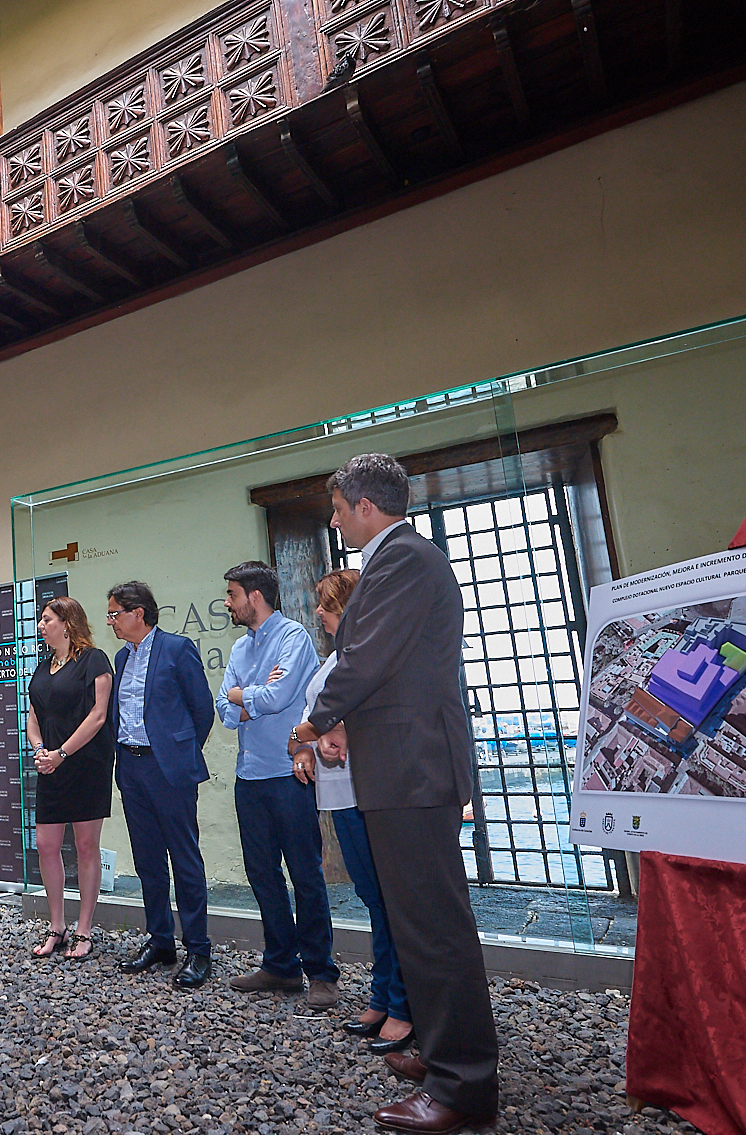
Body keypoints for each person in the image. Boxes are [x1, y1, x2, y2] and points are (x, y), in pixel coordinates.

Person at [293, 453, 499, 1133]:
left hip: (413, 768)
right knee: (418, 923)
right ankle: (442, 1054)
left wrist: (315, 720)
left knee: (435, 929)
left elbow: (365, 658)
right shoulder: (396, 561)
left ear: (364, 506)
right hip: (400, 766)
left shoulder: (403, 559)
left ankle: (463, 1086)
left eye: (337, 508)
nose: (333, 520)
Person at [296, 568, 413, 1052]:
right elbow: (313, 723)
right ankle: (385, 995)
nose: (319, 612)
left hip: (369, 791)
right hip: (340, 793)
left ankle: (404, 1003)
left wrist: (314, 733)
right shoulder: (335, 659)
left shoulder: (372, 654)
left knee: (391, 900)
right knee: (373, 898)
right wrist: (304, 746)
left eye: (327, 605)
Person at [216, 560, 339, 1006]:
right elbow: (224, 710)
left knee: (305, 875)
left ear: (255, 596)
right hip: (248, 777)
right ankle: (281, 967)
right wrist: (248, 696)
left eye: (232, 595)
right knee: (262, 875)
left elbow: (279, 696)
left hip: (288, 776)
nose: (227, 603)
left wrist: (242, 694)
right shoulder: (238, 649)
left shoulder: (293, 637)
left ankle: (321, 972)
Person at [107, 580, 215, 989]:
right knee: (148, 859)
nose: (112, 621)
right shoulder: (122, 657)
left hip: (168, 769)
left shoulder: (177, 648)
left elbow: (202, 709)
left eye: (115, 613)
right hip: (131, 768)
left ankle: (198, 949)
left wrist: (178, 752)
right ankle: (160, 940)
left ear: (138, 613)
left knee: (184, 860)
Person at [26, 597, 114, 961]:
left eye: (47, 619)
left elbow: (98, 716)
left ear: (67, 623)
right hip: (51, 765)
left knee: (85, 845)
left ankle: (84, 929)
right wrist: (40, 750)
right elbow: (33, 715)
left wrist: (61, 754)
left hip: (86, 764)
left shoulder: (94, 660)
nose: (41, 626)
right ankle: (57, 925)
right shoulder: (42, 667)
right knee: (46, 845)